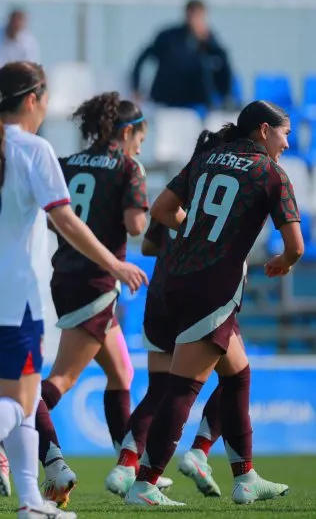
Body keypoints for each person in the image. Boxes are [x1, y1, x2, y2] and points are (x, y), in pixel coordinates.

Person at [0, 60, 148, 519]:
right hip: (17, 295)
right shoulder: (36, 150)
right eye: (46, 98)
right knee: (19, 403)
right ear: (33, 99)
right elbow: (66, 221)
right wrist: (114, 263)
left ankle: (30, 502)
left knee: (25, 399)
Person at [124, 100, 299, 507]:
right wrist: (285, 262)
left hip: (177, 279)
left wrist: (198, 232)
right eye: (284, 134)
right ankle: (143, 484)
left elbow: (162, 209)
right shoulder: (270, 172)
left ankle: (245, 477)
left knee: (237, 374)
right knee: (183, 389)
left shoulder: (206, 158)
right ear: (264, 131)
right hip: (214, 288)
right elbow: (295, 246)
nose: (288, 144)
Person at [27, 92, 148, 507]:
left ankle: (129, 467)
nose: (139, 149)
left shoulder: (67, 163)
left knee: (121, 373)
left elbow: (51, 216)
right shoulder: (128, 168)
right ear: (127, 133)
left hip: (66, 275)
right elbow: (136, 225)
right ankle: (7, 429)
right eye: (139, 140)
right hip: (97, 281)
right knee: (61, 380)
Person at [105, 211, 224, 499]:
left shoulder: (173, 198)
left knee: (158, 391)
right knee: (234, 379)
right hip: (200, 297)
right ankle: (201, 452)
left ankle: (126, 465)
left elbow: (148, 246)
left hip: (160, 294)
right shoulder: (218, 195)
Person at [131, 0, 234, 110]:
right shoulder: (168, 37)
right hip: (166, 100)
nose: (195, 20)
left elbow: (225, 66)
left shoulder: (209, 41)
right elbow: (142, 59)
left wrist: (208, 42)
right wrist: (136, 88)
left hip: (198, 102)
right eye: (193, 14)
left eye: (199, 16)